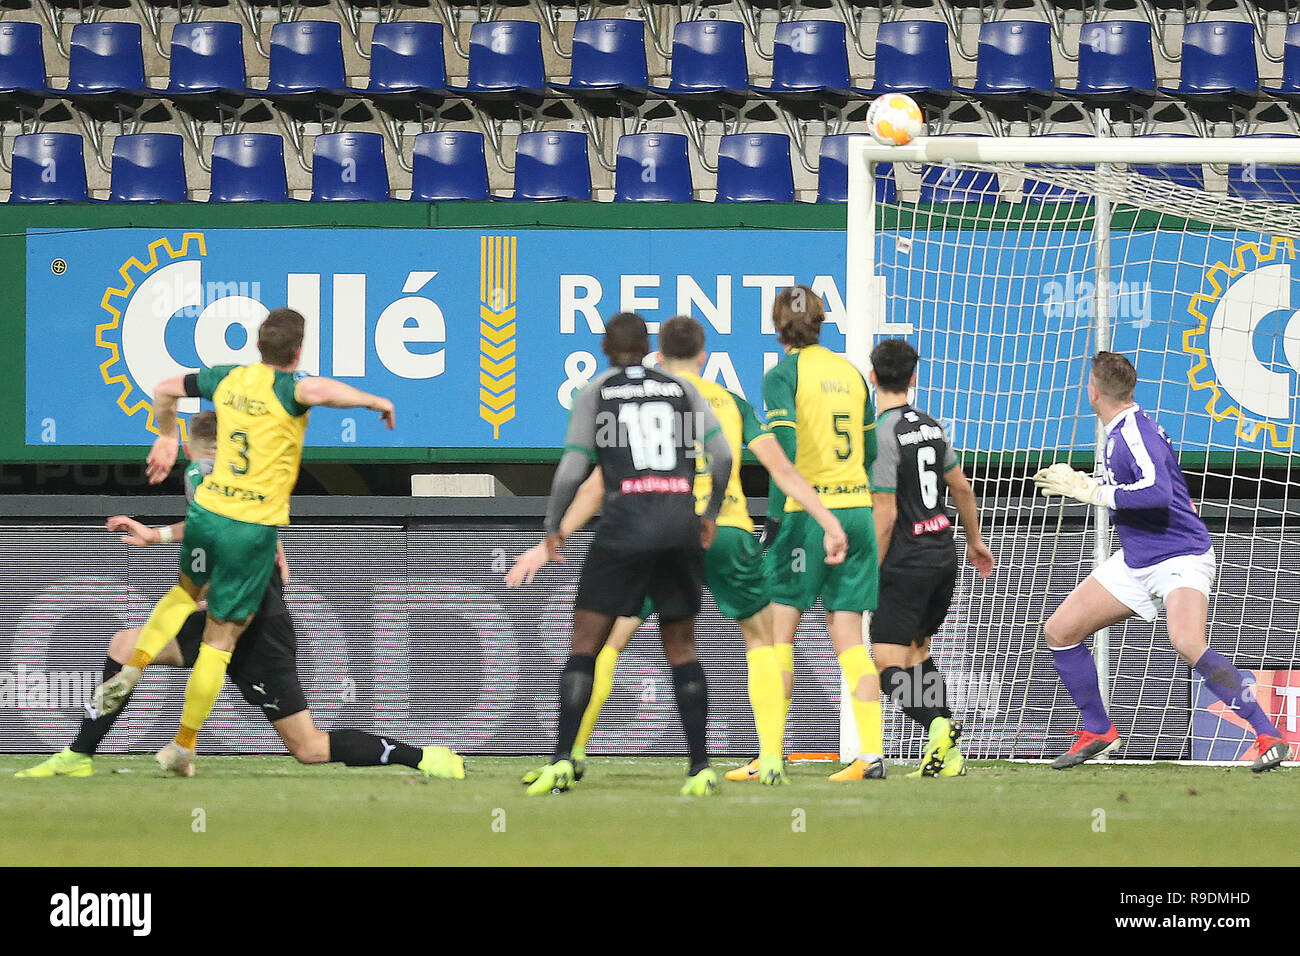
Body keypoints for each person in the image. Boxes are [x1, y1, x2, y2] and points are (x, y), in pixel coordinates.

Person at [17, 411, 464, 780]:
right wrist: (155, 536)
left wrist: (201, 584)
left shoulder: (202, 477)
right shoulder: (236, 484)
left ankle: (424, 757)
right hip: (225, 612)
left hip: (258, 628)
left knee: (308, 748)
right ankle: (80, 756)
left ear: (191, 451)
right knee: (125, 645)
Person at [507, 315, 848, 787]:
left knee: (605, 642)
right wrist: (828, 519)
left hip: (639, 527)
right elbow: (780, 471)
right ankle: (766, 757)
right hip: (714, 528)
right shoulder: (726, 401)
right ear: (703, 355)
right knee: (758, 638)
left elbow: (591, 480)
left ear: (659, 356)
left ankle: (571, 753)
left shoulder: (619, 394)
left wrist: (552, 535)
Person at [91, 308, 399, 777]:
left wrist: (164, 436)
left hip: (208, 515)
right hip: (250, 530)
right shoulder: (289, 389)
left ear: (258, 345)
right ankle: (182, 746)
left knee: (181, 595)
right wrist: (375, 401)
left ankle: (134, 665)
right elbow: (322, 391)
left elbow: (166, 387)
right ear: (298, 351)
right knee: (219, 643)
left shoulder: (229, 379)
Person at [1034, 350, 1290, 772]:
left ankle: (1269, 735)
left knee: (1187, 642)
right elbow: (1141, 485)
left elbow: (1156, 493)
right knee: (1060, 631)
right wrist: (1087, 482)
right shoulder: (1121, 429)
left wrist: (1095, 494)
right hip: (1137, 558)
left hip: (1180, 556)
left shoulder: (1134, 431)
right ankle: (1099, 731)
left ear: (1093, 392)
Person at [523, 313, 733, 796]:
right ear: (648, 348)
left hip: (624, 529)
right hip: (679, 525)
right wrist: (709, 512)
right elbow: (721, 456)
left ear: (604, 347)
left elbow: (571, 470)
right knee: (681, 647)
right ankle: (700, 766)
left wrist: (554, 527)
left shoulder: (596, 392)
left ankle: (561, 759)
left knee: (585, 647)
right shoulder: (681, 389)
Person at [741, 285, 886, 781]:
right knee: (848, 634)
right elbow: (868, 454)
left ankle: (771, 756)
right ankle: (871, 754)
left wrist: (777, 522)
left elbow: (783, 453)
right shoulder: (849, 373)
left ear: (777, 325)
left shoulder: (782, 376)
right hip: (858, 509)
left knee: (778, 633)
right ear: (823, 321)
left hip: (809, 514)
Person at [867, 339, 994, 778]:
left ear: (872, 377)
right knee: (918, 650)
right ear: (914, 378)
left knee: (886, 662)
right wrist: (975, 540)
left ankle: (939, 725)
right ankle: (948, 757)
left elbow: (886, 514)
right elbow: (961, 488)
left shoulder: (881, 435)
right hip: (943, 554)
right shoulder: (932, 427)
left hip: (905, 560)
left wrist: (872, 567)